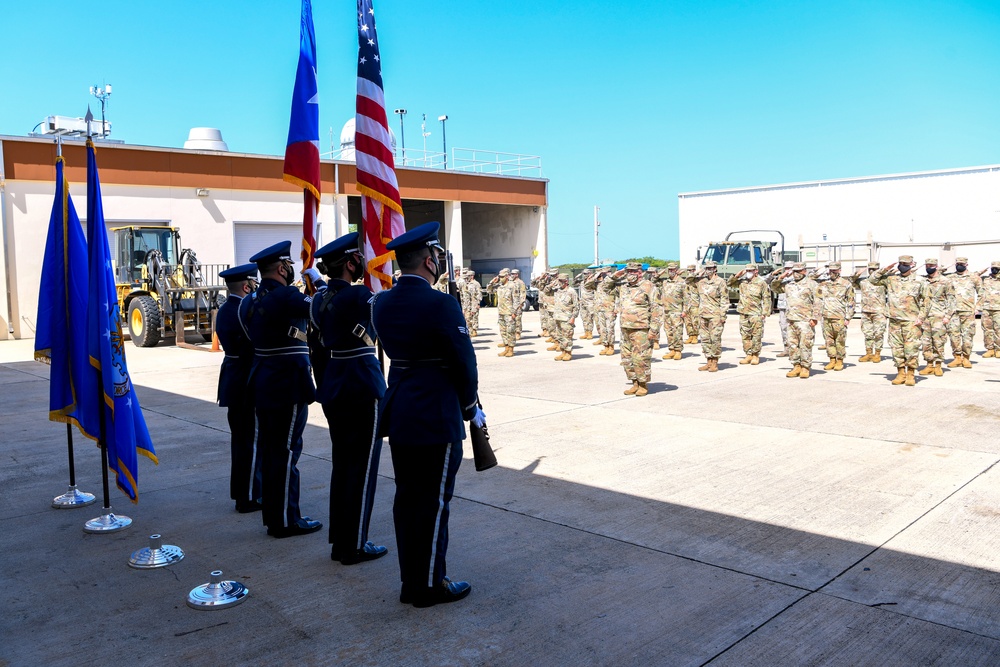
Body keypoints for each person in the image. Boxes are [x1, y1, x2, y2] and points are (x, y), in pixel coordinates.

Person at [371, 221, 480, 608]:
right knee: (433, 503)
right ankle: (428, 586)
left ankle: (410, 581)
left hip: (400, 408)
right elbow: (464, 363)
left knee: (408, 501)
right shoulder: (442, 303)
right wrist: (472, 407)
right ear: (430, 260)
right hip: (436, 411)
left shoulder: (381, 303)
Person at [310, 233, 389, 565]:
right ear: (352, 263)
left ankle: (340, 541)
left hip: (334, 383)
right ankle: (354, 544)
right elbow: (386, 321)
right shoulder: (360, 295)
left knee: (343, 465)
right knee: (362, 468)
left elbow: (316, 349)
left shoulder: (317, 300)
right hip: (361, 383)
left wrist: (323, 384)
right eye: (359, 258)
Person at [238, 241, 325, 538]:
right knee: (287, 452)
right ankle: (287, 520)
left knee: (272, 451)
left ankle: (274, 517)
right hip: (287, 383)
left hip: (262, 380)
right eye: (288, 266)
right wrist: (320, 283)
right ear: (282, 267)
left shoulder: (250, 300)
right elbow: (322, 311)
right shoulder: (286, 295)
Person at [216, 263, 262, 514]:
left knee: (242, 440)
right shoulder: (243, 310)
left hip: (233, 380)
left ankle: (242, 493)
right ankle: (249, 497)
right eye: (254, 285)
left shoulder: (226, 309)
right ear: (247, 286)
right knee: (250, 441)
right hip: (245, 381)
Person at [869, 255, 930, 386]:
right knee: (896, 348)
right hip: (894, 320)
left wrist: (921, 318)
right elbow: (872, 280)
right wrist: (885, 269)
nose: (902, 266)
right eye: (900, 263)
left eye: (906, 264)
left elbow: (926, 301)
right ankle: (900, 372)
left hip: (911, 321)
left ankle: (911, 374)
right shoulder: (891, 279)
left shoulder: (920, 281)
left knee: (911, 348)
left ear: (912, 265)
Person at [616, 262, 661, 396]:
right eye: (628, 271)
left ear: (640, 273)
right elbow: (608, 285)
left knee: (640, 358)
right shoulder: (624, 287)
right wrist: (616, 274)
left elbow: (656, 309)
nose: (630, 274)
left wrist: (654, 329)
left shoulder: (648, 286)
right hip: (625, 328)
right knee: (626, 358)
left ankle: (643, 384)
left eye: (634, 271)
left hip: (641, 328)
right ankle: (634, 382)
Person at [770, 262, 820, 379]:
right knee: (793, 345)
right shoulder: (789, 284)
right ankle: (796, 365)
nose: (796, 274)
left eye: (798, 271)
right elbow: (774, 287)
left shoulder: (812, 284)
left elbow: (818, 301)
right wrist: (781, 277)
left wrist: (815, 318)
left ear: (804, 271)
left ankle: (805, 367)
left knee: (805, 344)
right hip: (791, 319)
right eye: (794, 271)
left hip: (805, 320)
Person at [728, 263, 771, 365]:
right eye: (747, 271)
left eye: (750, 270)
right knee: (745, 335)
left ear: (756, 271)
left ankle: (755, 355)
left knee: (756, 335)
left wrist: (764, 313)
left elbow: (766, 299)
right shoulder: (742, 282)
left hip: (756, 313)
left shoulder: (761, 283)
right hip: (743, 312)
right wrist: (737, 275)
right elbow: (729, 283)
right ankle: (748, 354)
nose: (748, 273)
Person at [689, 261, 727, 372]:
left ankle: (714, 361)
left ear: (715, 269)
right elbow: (688, 281)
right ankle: (708, 361)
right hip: (702, 314)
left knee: (715, 339)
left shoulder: (720, 282)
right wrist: (698, 273)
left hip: (715, 315)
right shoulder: (702, 281)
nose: (709, 270)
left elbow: (724, 299)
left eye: (711, 268)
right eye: (707, 268)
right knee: (705, 339)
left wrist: (723, 315)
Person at [920, 258, 955, 377]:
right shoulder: (923, 281)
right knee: (926, 343)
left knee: (938, 341)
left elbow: (952, 300)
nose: (929, 267)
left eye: (931, 265)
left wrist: (948, 316)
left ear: (936, 266)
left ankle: (938, 364)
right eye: (927, 265)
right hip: (925, 317)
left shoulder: (945, 281)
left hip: (939, 316)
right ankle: (929, 364)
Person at [818, 261, 855, 371]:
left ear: (839, 270)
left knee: (840, 340)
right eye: (830, 270)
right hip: (826, 316)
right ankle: (832, 359)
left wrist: (848, 317)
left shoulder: (846, 284)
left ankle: (840, 360)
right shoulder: (824, 284)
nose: (832, 273)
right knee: (828, 340)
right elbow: (818, 299)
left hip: (839, 317)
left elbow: (851, 302)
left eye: (834, 270)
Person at [947, 256, 981, 368]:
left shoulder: (974, 277)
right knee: (953, 335)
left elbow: (982, 293)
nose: (959, 265)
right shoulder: (950, 277)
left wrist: (978, 307)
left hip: (968, 311)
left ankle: (966, 358)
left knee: (968, 336)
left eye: (962, 263)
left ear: (966, 264)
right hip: (953, 311)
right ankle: (957, 357)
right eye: (957, 263)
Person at [851, 262, 888, 363]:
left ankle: (877, 354)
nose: (872, 271)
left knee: (879, 333)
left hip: (879, 311)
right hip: (866, 311)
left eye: (874, 269)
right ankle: (868, 353)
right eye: (870, 269)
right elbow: (851, 281)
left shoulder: (883, 281)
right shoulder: (863, 281)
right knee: (868, 334)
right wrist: (858, 273)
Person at [549, 273, 580, 361]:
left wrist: (573, 317)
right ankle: (563, 352)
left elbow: (576, 306)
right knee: (560, 337)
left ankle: (568, 353)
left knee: (567, 336)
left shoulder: (571, 291)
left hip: (567, 318)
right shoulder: (557, 290)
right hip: (558, 317)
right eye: (558, 281)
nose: (559, 283)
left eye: (560, 281)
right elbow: (546, 289)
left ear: (566, 281)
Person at [766, 261, 794, 356]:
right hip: (783, 307)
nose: (788, 270)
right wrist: (773, 274)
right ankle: (786, 348)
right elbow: (765, 281)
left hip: (795, 308)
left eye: (790, 268)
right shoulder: (780, 280)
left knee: (795, 330)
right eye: (786, 268)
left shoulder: (798, 280)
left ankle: (794, 349)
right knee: (784, 328)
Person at [659, 263, 685, 360]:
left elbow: (687, 298)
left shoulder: (682, 282)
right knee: (668, 331)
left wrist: (685, 310)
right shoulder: (665, 282)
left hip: (677, 311)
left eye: (673, 270)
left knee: (677, 331)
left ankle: (678, 350)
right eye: (669, 270)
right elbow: (655, 280)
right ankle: (672, 349)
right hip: (667, 311)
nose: (671, 272)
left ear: (677, 270)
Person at [488, 268, 517, 357]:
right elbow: (489, 290)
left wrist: (514, 312)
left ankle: (511, 349)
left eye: (502, 277)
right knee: (503, 331)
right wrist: (492, 282)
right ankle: (506, 348)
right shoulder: (499, 286)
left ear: (507, 276)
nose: (500, 278)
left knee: (510, 331)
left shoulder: (512, 285)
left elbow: (516, 300)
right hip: (501, 312)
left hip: (509, 312)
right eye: (499, 277)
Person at [591, 268, 619, 355]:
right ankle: (605, 346)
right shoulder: (596, 284)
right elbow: (587, 284)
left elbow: (618, 296)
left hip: (609, 309)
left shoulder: (611, 282)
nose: (601, 275)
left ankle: (611, 346)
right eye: (600, 274)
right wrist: (596, 275)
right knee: (602, 329)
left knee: (610, 328)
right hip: (599, 309)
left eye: (603, 273)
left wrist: (617, 308)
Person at [980, 262, 1000, 358]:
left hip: (998, 309)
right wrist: (982, 270)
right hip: (986, 308)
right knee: (987, 330)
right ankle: (990, 349)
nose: (994, 270)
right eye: (993, 268)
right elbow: (973, 276)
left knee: (998, 330)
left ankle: (998, 349)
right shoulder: (985, 279)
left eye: (997, 268)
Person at [683, 263, 700, 344]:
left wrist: (695, 274)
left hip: (695, 303)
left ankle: (695, 336)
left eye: (692, 270)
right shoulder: (686, 281)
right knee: (687, 321)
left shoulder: (697, 280)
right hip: (687, 304)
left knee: (695, 321)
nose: (690, 272)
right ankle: (690, 336)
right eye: (689, 270)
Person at [578, 269, 597, 340]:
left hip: (590, 302)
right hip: (583, 302)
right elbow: (574, 282)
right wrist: (579, 275)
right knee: (584, 318)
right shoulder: (582, 282)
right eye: (584, 274)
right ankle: (586, 332)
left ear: (590, 274)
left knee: (590, 318)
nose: (584, 275)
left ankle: (590, 333)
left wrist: (591, 277)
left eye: (586, 274)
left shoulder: (592, 282)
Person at [509, 269, 527, 340]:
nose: (512, 275)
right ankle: (512, 333)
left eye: (513, 274)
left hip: (517, 304)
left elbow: (523, 293)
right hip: (510, 304)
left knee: (518, 319)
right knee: (511, 320)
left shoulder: (520, 282)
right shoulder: (510, 282)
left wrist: (521, 303)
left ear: (517, 274)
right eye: (511, 274)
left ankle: (518, 333)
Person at [463, 270, 482, 337]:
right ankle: (470, 332)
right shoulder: (467, 284)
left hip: (474, 304)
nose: (467, 277)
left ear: (472, 276)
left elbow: (478, 294)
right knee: (468, 319)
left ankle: (474, 330)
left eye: (468, 276)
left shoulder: (476, 284)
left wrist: (477, 304)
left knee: (474, 318)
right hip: (468, 305)